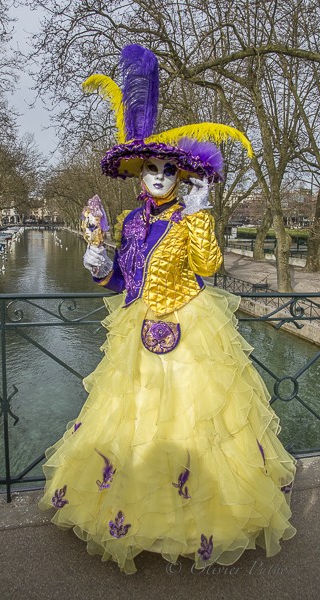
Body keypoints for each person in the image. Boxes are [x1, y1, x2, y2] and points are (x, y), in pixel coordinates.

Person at [39, 45, 296, 574]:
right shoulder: (133, 221)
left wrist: (201, 217)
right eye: (150, 168)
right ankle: (138, 520)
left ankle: (199, 524)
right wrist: (96, 265)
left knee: (193, 427)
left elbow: (208, 266)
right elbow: (122, 281)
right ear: (139, 174)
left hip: (189, 329)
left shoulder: (189, 215)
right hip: (136, 332)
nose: (158, 175)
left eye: (167, 169)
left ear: (180, 176)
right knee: (137, 428)